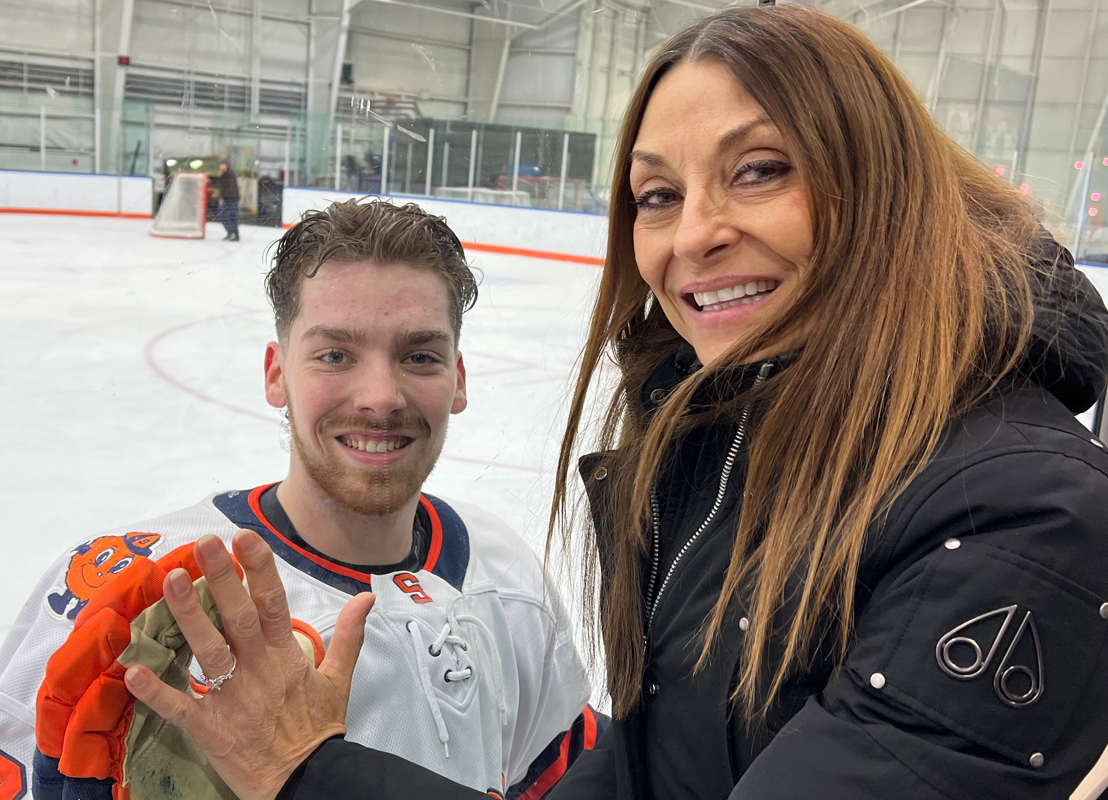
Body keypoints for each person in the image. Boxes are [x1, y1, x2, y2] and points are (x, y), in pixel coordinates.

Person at [109, 6, 1108, 800]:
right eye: (657, 194)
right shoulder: (729, 447)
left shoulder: (1020, 513)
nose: (692, 236)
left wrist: (307, 768)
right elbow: (654, 763)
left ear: (885, 185)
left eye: (759, 171)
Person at [0, 199, 602, 800]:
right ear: (277, 376)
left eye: (419, 356)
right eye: (335, 355)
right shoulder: (137, 594)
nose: (380, 397)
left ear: (457, 379)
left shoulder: (507, 579)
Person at [217, 160, 240, 241]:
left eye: (222, 164)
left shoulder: (227, 174)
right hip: (231, 198)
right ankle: (232, 233)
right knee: (231, 217)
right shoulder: (228, 173)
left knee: (226, 216)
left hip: (230, 198)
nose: (221, 166)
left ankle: (233, 233)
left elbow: (222, 184)